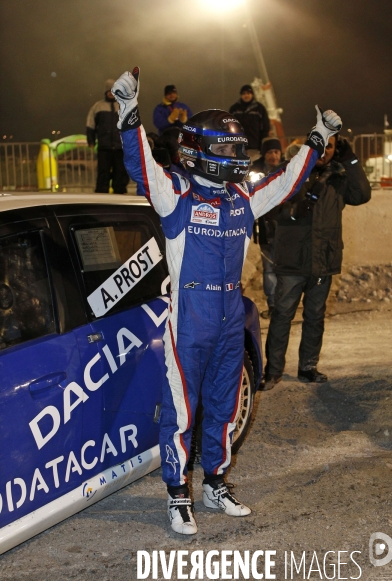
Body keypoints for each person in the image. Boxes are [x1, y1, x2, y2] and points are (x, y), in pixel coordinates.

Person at [111, 67, 341, 535]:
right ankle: (178, 496)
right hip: (189, 319)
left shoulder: (242, 195)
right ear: (199, 150)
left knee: (222, 405)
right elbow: (142, 167)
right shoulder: (174, 192)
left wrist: (316, 139)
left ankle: (216, 483)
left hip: (230, 315)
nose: (237, 156)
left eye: (239, 149)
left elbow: (283, 183)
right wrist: (129, 112)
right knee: (182, 410)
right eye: (228, 149)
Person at [264, 135, 371, 391]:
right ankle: (273, 371)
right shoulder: (290, 170)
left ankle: (308, 368)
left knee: (315, 315)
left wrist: (351, 159)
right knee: (282, 315)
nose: (324, 152)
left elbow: (362, 194)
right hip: (292, 261)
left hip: (322, 262)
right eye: (321, 145)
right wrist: (291, 212)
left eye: (331, 147)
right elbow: (266, 205)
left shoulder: (339, 177)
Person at [252, 138, 283, 318]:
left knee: (286, 269)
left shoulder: (286, 170)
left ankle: (285, 304)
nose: (273, 156)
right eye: (270, 152)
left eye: (276, 152)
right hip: (265, 229)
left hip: (286, 230)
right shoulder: (255, 173)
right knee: (269, 269)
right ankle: (273, 305)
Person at [86, 79, 129, 194]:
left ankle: (119, 193)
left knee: (120, 172)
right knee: (103, 172)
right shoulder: (97, 106)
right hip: (104, 147)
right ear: (105, 92)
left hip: (120, 147)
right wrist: (91, 140)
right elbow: (91, 125)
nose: (111, 93)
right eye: (108, 91)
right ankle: (101, 193)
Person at [229, 85, 270, 161]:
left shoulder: (260, 108)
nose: (246, 95)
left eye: (248, 93)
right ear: (241, 95)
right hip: (238, 146)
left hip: (255, 147)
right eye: (244, 93)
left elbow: (265, 127)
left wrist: (262, 143)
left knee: (255, 170)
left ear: (252, 94)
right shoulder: (234, 109)